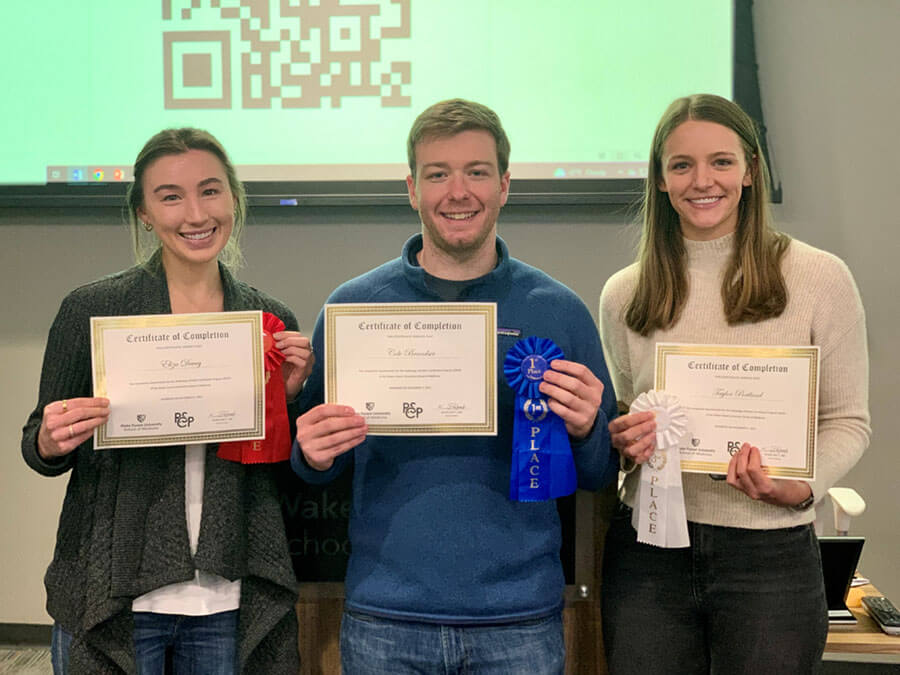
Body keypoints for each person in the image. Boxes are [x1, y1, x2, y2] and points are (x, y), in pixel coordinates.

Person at [291, 98, 618, 674]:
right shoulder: (352, 307)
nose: (457, 191)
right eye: (438, 174)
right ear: (412, 188)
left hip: (520, 622)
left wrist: (590, 428)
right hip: (385, 619)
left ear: (505, 185)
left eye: (477, 172)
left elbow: (596, 475)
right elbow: (319, 465)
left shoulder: (559, 312)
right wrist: (312, 453)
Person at [21, 128, 312, 674]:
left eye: (210, 191)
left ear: (234, 201)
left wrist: (288, 401)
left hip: (229, 592)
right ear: (144, 214)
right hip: (114, 592)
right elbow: (37, 445)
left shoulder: (267, 321)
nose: (195, 214)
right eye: (170, 196)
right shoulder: (92, 309)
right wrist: (50, 438)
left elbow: (284, 468)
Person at [598, 94, 870, 674]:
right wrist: (624, 439)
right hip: (649, 555)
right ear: (661, 179)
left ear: (750, 170)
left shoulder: (820, 278)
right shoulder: (624, 293)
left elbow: (848, 421)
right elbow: (627, 414)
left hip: (769, 555)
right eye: (681, 165)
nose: (703, 181)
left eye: (720, 161)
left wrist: (800, 487)